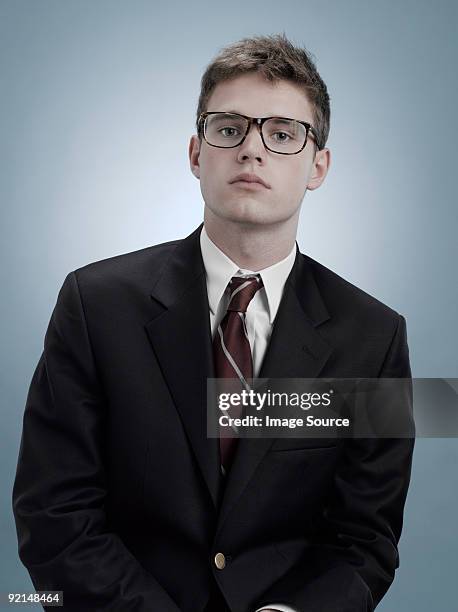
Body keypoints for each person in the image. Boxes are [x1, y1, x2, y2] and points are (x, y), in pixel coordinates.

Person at [12, 34, 414, 612]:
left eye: (282, 134)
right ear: (197, 153)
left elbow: (365, 539)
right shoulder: (93, 304)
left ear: (317, 166)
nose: (252, 150)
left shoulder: (375, 337)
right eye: (229, 128)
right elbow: (54, 513)